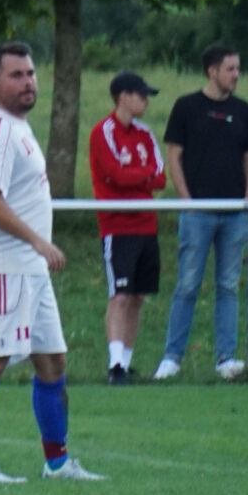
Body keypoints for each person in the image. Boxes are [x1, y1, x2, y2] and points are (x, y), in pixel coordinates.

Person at [0, 43, 105, 484]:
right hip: (3, 263)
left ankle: (57, 463)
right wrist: (38, 240)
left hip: (27, 266)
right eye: (16, 75)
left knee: (52, 360)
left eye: (31, 73)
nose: (28, 82)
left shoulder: (10, 126)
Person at [156, 43, 248, 380]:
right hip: (198, 213)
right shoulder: (186, 107)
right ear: (212, 71)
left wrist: (247, 202)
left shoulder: (244, 111)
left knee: (229, 286)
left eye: (237, 68)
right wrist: (186, 200)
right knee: (188, 284)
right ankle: (172, 359)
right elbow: (174, 156)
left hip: (234, 214)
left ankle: (225, 359)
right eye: (230, 69)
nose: (236, 75)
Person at [88, 72, 166, 384]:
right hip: (117, 225)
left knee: (137, 296)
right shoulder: (103, 131)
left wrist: (137, 174)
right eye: (141, 95)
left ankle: (128, 362)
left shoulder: (145, 134)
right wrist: (141, 175)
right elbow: (113, 175)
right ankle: (115, 363)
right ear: (123, 97)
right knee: (119, 295)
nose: (146, 101)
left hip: (146, 224)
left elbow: (159, 177)